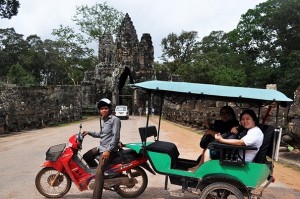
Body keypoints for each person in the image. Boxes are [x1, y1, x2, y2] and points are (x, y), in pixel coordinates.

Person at [82, 98, 121, 199]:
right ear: (99, 111)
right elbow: (102, 134)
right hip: (101, 147)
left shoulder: (115, 120)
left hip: (109, 150)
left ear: (109, 109)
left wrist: (108, 150)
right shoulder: (104, 120)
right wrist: (89, 132)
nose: (103, 110)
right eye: (101, 109)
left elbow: (115, 137)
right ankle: (102, 174)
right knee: (87, 156)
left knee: (99, 173)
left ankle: (96, 196)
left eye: (105, 108)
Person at [189, 106, 239, 172]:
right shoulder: (221, 123)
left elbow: (223, 135)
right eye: (222, 113)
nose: (224, 115)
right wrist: (208, 126)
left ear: (231, 114)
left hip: (225, 149)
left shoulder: (234, 124)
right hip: (219, 146)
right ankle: (199, 166)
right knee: (204, 152)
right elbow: (218, 130)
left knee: (208, 148)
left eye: (227, 113)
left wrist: (210, 132)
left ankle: (199, 168)